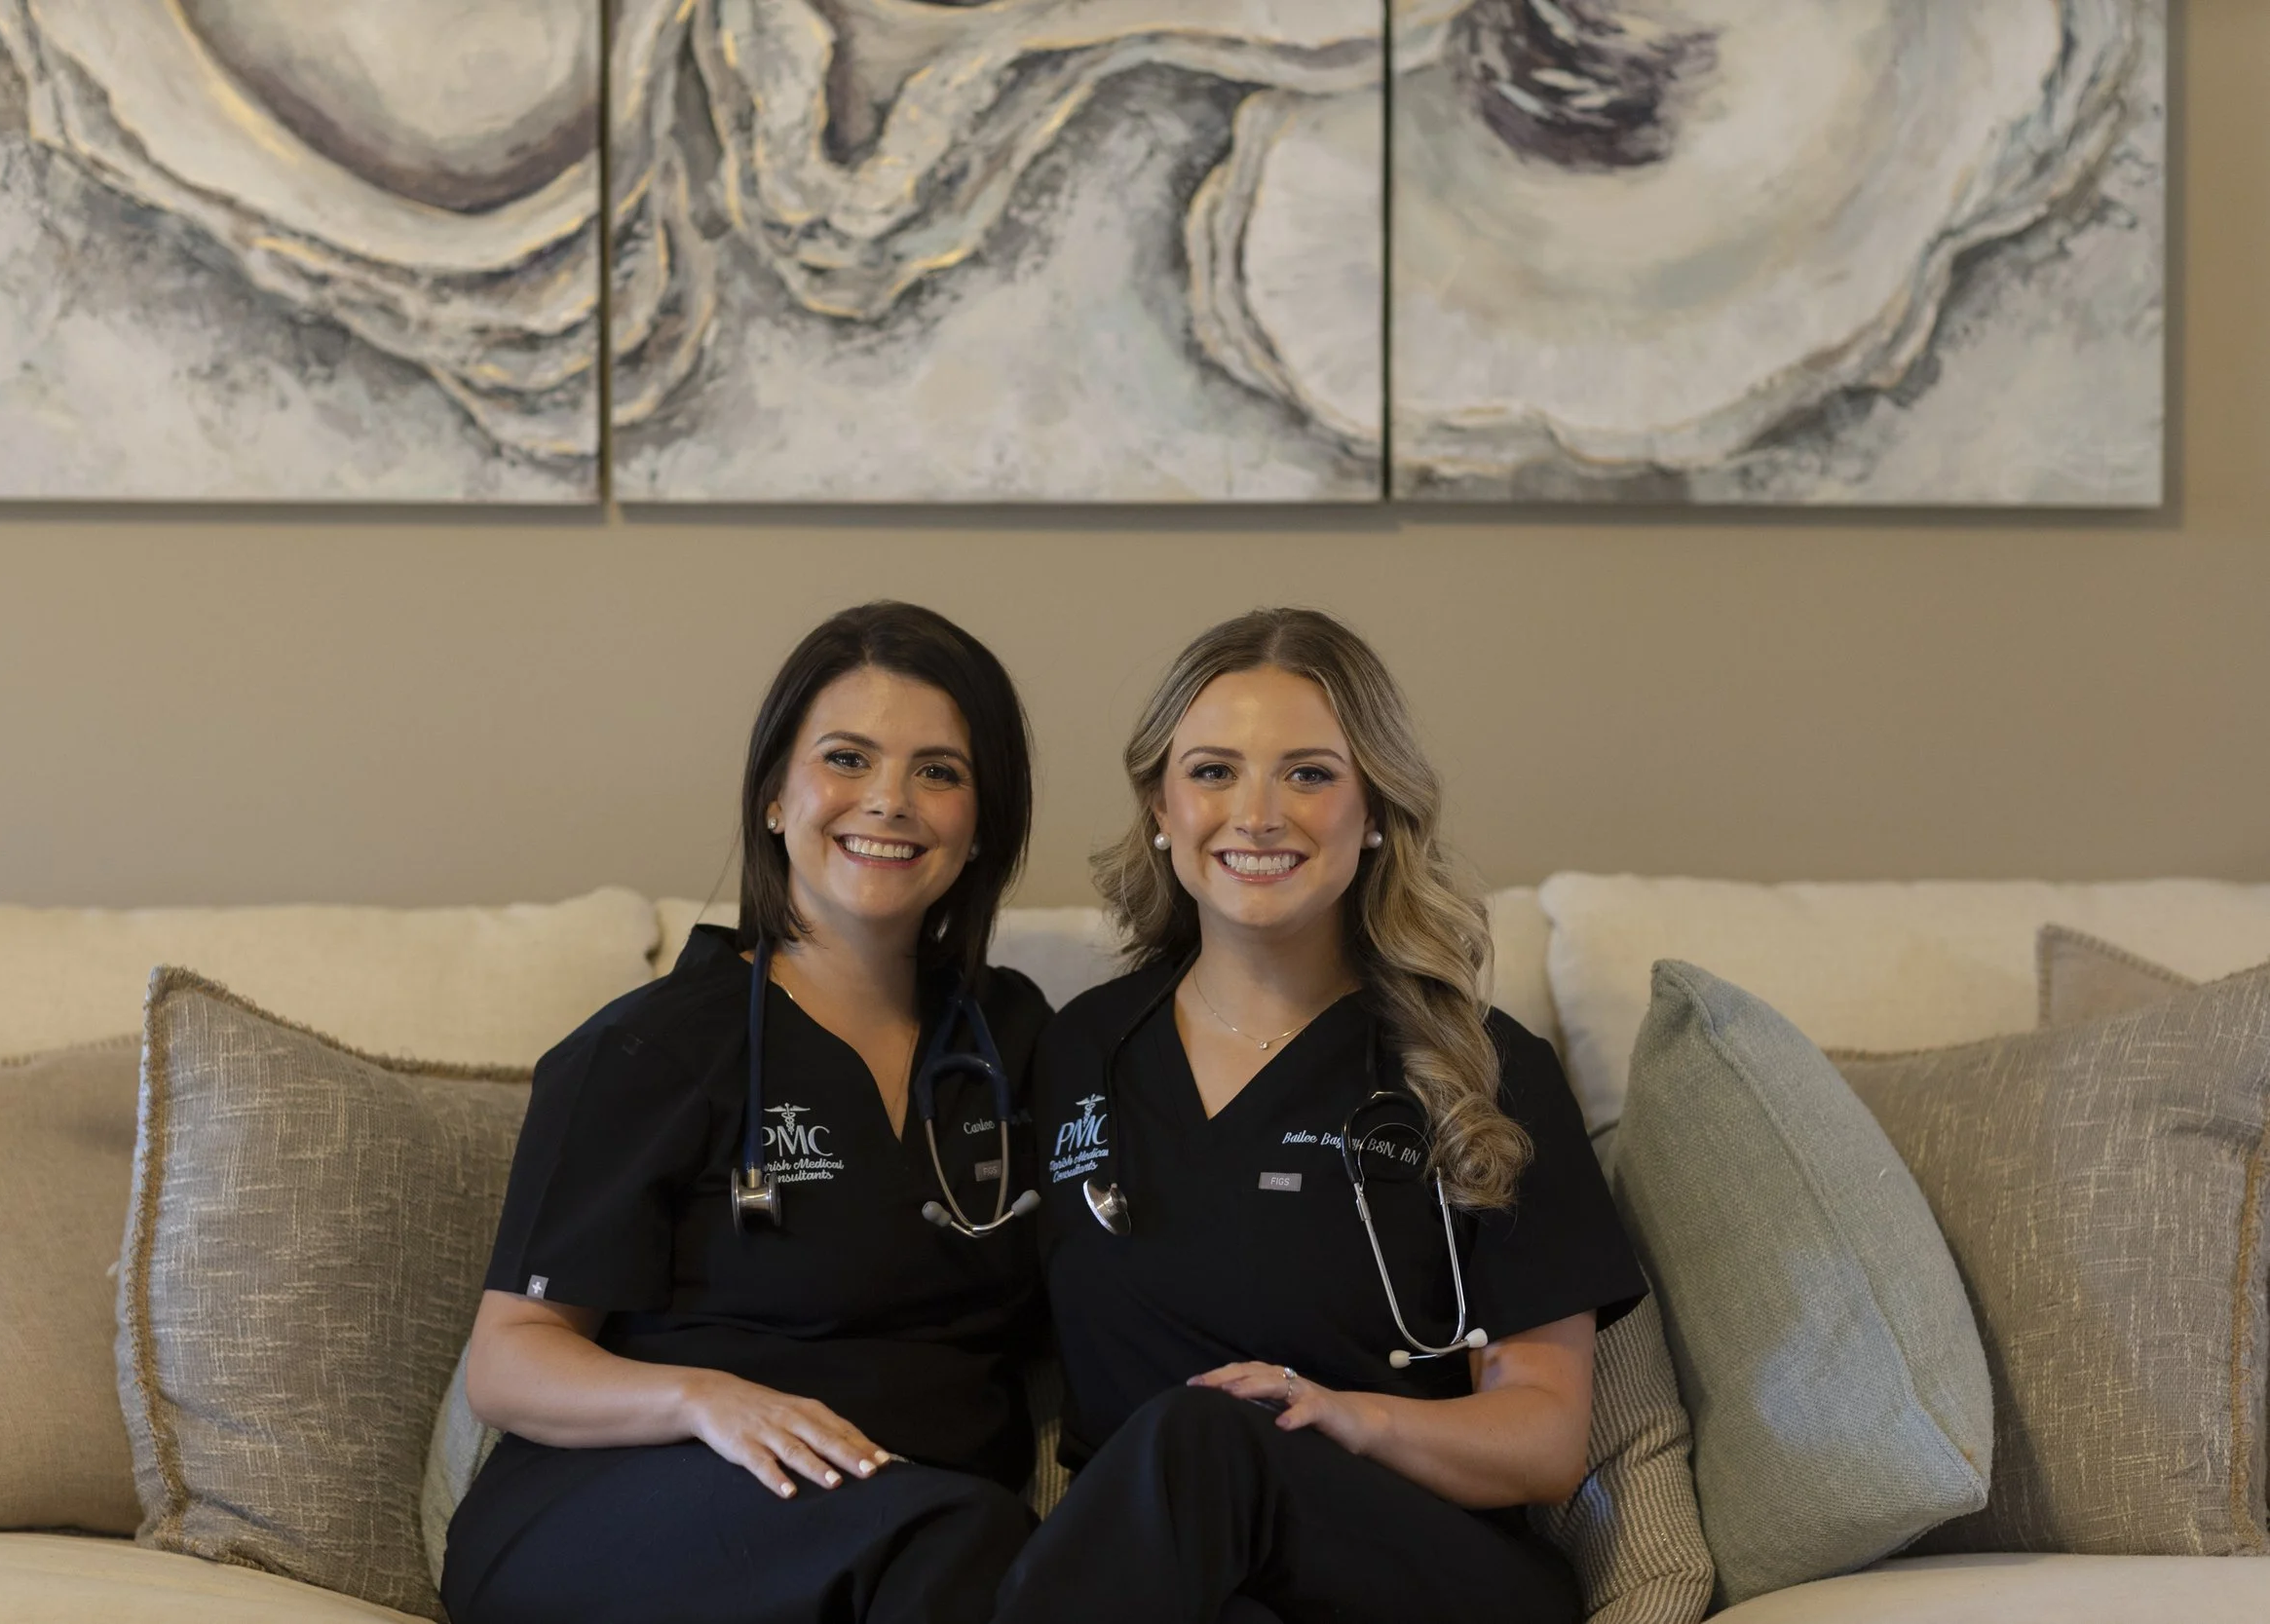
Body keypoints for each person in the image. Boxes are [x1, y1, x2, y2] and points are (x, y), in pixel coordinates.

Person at [1000, 608, 1646, 1624]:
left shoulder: (1483, 1064)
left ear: (1376, 810)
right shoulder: (1079, 1048)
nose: (1257, 812)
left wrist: (1345, 1417)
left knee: (1204, 1431)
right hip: (1170, 1580)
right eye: (1213, 770)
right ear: (1161, 806)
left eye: (1308, 772)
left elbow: (1545, 1441)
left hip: (1422, 1566)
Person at [444, 602, 1051, 1624]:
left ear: (982, 818)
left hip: (913, 1521)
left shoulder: (1012, 1038)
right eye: (847, 758)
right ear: (775, 795)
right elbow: (509, 1359)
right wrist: (704, 1397)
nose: (890, 800)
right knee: (962, 1545)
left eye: (939, 771)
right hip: (635, 1502)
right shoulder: (653, 1047)